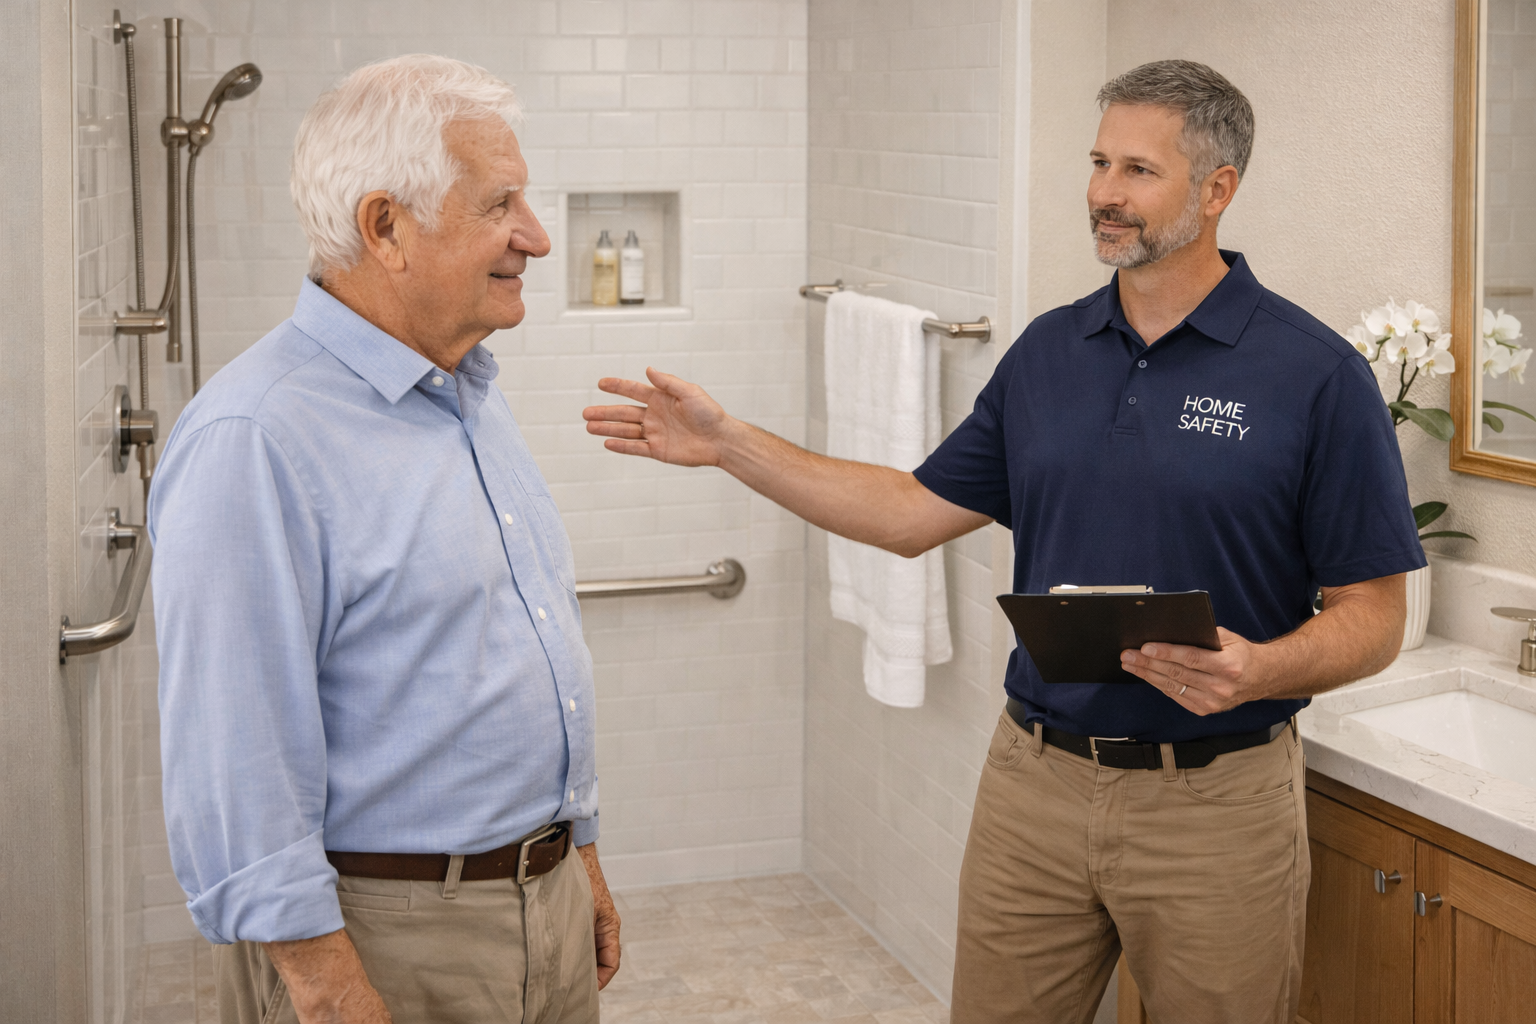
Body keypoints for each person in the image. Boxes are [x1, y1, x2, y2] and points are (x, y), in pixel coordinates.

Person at [583, 60, 1424, 1023]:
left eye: (1139, 171)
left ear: (1218, 189)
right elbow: (909, 513)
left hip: (1216, 805)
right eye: (1100, 162)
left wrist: (1262, 667)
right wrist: (731, 445)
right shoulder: (1046, 354)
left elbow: (1375, 617)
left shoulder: (1316, 376)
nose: (1104, 193)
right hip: (1035, 784)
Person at [151, 55, 617, 1024]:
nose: (534, 235)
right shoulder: (257, 438)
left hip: (540, 904)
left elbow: (507, 646)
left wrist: (577, 851)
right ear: (385, 227)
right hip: (384, 941)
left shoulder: (464, 392)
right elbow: (237, 765)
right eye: (501, 204)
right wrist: (326, 987)